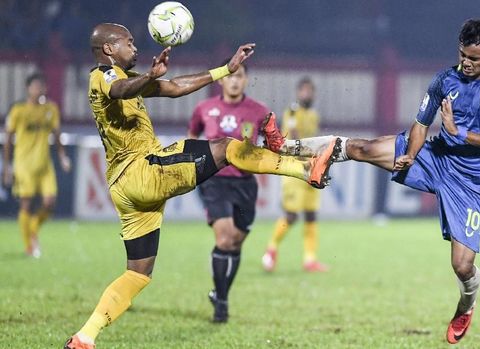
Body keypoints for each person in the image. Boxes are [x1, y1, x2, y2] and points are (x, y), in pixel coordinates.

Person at [64, 23, 341, 349]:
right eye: (129, 42)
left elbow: (176, 86)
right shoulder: (102, 74)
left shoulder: (130, 80)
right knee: (227, 147)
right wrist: (149, 76)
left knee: (138, 273)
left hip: (125, 189)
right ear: (109, 49)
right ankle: (306, 167)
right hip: (142, 171)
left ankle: (85, 337)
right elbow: (120, 90)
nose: (135, 48)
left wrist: (225, 68)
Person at [261, 19, 480, 344]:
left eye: (475, 58)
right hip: (435, 157)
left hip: (470, 182)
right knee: (363, 148)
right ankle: (286, 146)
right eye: (463, 55)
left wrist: (459, 132)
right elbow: (421, 124)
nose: (466, 63)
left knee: (463, 266)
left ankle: (466, 307)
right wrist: (411, 154)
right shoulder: (445, 79)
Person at [187, 59, 269, 323]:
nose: (234, 80)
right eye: (230, 76)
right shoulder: (204, 109)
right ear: (222, 79)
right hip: (215, 181)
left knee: (236, 241)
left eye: (240, 76)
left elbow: (271, 143)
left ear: (246, 80)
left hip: (245, 183)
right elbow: (192, 136)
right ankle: (221, 303)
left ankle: (221, 293)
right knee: (224, 239)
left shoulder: (259, 111)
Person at [262, 77, 328, 272]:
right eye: (304, 90)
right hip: (293, 169)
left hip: (311, 167)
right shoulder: (292, 110)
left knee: (311, 214)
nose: (307, 94)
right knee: (291, 215)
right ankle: (271, 249)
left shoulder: (314, 115)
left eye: (310, 91)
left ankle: (310, 259)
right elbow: (293, 132)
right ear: (298, 92)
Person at [2, 73, 72, 258]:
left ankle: (32, 228)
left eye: (41, 86)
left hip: (44, 164)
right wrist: (7, 167)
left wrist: (63, 156)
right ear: (28, 88)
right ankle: (30, 246)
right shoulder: (18, 110)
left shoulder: (51, 109)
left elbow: (56, 134)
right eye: (35, 86)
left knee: (50, 203)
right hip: (23, 164)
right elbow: (8, 139)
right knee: (25, 204)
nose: (38, 89)